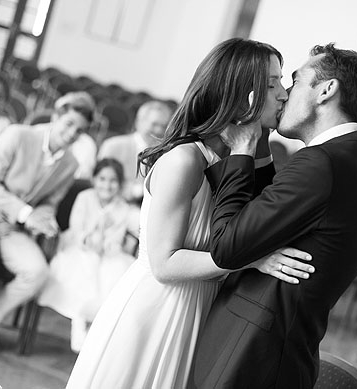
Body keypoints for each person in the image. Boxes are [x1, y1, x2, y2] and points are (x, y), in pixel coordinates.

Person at [65, 38, 315, 389]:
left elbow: (260, 222)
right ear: (242, 91)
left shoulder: (236, 157)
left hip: (200, 310)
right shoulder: (184, 160)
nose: (284, 94)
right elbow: (165, 265)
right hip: (157, 310)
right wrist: (249, 260)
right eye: (272, 84)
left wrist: (252, 144)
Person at [190, 43, 357, 388]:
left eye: (295, 81)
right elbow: (267, 213)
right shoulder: (356, 162)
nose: (284, 94)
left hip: (249, 355)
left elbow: (225, 246)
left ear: (326, 91)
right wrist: (259, 137)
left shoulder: (323, 163)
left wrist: (242, 149)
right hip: (279, 352)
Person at [0, 92, 96, 365]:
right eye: (68, 124)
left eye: (80, 131)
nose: (72, 133)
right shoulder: (18, 134)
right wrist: (26, 213)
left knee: (38, 273)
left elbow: (50, 202)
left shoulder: (71, 163)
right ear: (55, 117)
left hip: (14, 228)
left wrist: (46, 218)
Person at [38, 158, 140, 353]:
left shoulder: (123, 208)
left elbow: (117, 239)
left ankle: (97, 330)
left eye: (113, 181)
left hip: (108, 254)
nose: (107, 185)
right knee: (86, 266)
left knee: (113, 276)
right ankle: (79, 320)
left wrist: (108, 243)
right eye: (102, 179)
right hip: (80, 248)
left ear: (119, 184)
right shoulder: (85, 197)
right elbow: (76, 229)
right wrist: (91, 237)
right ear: (94, 180)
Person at [97, 100, 173, 203]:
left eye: (163, 126)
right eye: (154, 124)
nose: (159, 131)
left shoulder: (165, 156)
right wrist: (134, 191)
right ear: (139, 122)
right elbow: (100, 184)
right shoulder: (113, 146)